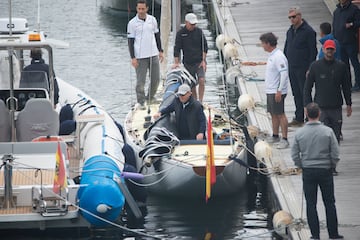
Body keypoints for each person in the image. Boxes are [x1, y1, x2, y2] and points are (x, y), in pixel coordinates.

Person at [291, 102, 343, 240]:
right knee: (330, 203)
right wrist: (331, 165)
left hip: (308, 170)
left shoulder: (299, 133)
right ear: (319, 114)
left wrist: (301, 165)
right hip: (325, 169)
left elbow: (295, 154)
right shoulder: (328, 131)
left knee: (311, 203)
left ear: (306, 114)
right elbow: (336, 153)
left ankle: (315, 235)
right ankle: (333, 234)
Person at [304, 39, 352, 175]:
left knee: (335, 138)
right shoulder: (315, 66)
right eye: (327, 49)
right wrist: (307, 105)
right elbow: (307, 87)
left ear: (335, 50)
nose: (329, 51)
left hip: (336, 107)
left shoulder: (341, 67)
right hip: (320, 109)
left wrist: (349, 104)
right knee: (321, 137)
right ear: (323, 50)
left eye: (332, 49)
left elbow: (346, 87)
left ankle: (332, 166)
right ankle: (323, 164)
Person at [284, 6, 317, 127]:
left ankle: (310, 117)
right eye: (289, 17)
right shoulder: (290, 31)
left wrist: (310, 68)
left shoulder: (309, 31)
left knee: (305, 93)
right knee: (296, 93)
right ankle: (299, 117)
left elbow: (313, 51)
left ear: (299, 16)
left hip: (303, 68)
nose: (291, 19)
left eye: (293, 17)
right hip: (292, 67)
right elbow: (286, 47)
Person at [127, 0, 164, 108]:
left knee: (156, 79)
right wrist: (133, 57)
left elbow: (157, 36)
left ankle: (150, 97)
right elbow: (130, 42)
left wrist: (160, 50)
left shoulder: (152, 20)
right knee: (141, 82)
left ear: (147, 9)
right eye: (139, 9)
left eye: (143, 9)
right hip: (140, 56)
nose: (141, 11)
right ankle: (141, 100)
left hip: (153, 54)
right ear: (137, 9)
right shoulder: (132, 23)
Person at [259, 32, 289, 149]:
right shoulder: (272, 55)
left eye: (263, 43)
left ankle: (285, 139)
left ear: (268, 43)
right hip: (270, 90)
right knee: (273, 114)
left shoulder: (279, 57)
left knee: (280, 114)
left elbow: (284, 74)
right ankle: (275, 135)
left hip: (277, 91)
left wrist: (279, 90)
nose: (262, 46)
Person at [173, 13, 208, 103]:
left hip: (199, 61)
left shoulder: (199, 32)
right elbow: (177, 49)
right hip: (188, 63)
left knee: (201, 80)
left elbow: (205, 47)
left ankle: (201, 100)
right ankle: (195, 101)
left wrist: (203, 60)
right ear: (186, 22)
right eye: (191, 24)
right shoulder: (180, 33)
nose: (193, 26)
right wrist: (176, 63)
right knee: (191, 85)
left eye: (194, 24)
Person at [333, 0, 360, 92]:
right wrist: (334, 37)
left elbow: (358, 22)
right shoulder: (336, 11)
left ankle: (358, 84)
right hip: (340, 42)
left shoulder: (354, 9)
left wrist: (351, 24)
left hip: (351, 41)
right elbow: (334, 25)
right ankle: (347, 84)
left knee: (355, 63)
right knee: (344, 65)